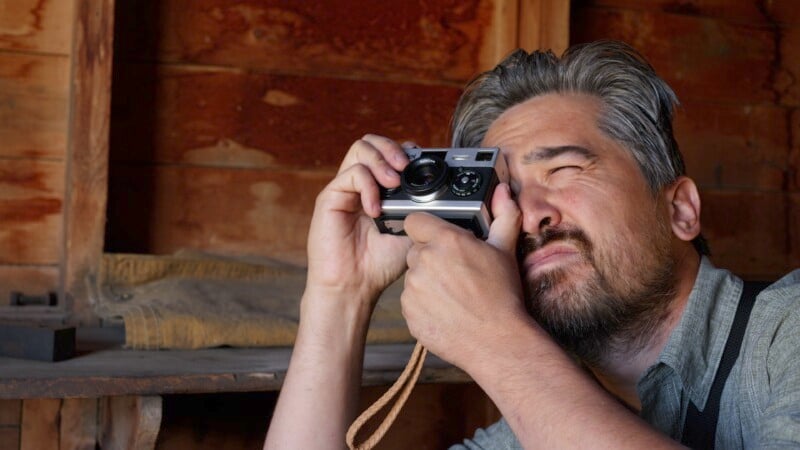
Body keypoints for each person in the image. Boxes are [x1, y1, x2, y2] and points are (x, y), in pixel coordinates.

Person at [264, 40, 800, 449]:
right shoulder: (540, 417)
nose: (528, 216)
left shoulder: (787, 333)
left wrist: (496, 342)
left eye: (565, 169)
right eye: (506, 194)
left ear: (679, 209)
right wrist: (339, 295)